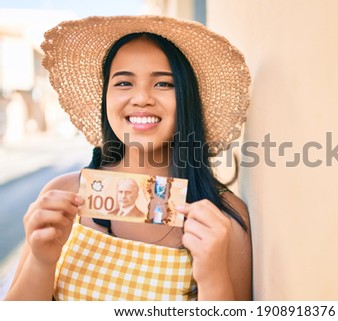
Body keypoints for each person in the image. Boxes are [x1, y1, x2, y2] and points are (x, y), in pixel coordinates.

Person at [4, 15, 252, 301]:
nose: (142, 98)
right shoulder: (63, 195)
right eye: (124, 83)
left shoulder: (224, 220)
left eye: (164, 84)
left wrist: (213, 275)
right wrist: (41, 260)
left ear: (188, 98)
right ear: (105, 97)